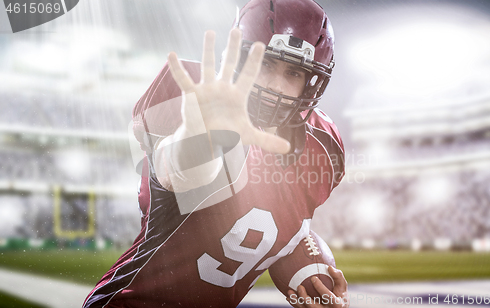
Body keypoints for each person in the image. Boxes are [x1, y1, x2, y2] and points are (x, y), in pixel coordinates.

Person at [83, 0, 348, 307]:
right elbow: (178, 175)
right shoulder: (194, 97)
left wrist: (314, 284)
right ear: (237, 59)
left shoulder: (323, 146)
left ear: (312, 82)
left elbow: (275, 230)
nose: (276, 85)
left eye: (293, 73)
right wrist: (204, 137)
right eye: (264, 64)